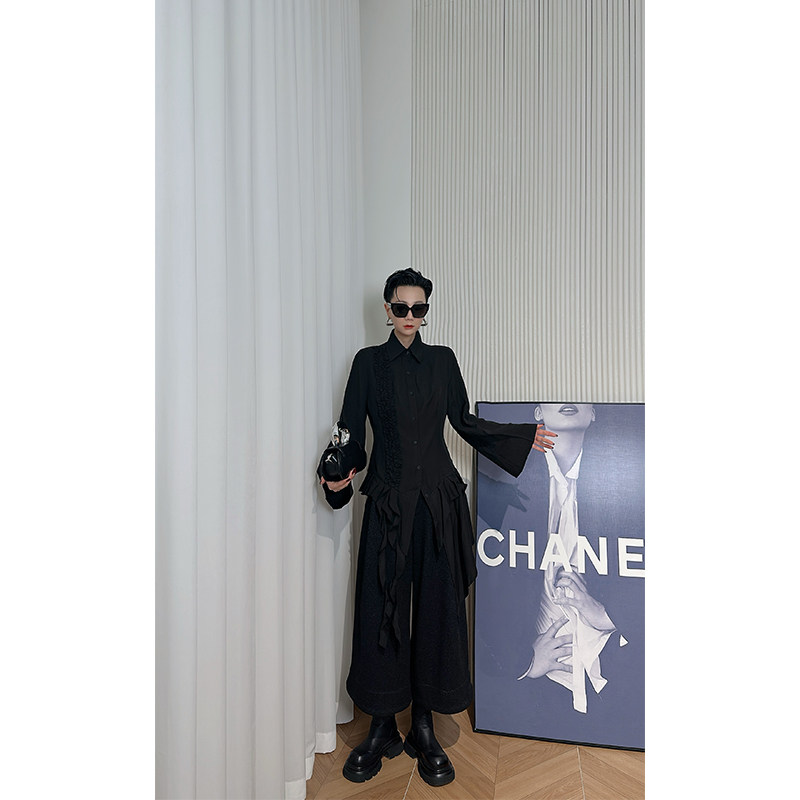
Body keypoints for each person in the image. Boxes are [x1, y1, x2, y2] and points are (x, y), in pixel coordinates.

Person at [318, 269, 556, 786]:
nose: (410, 316)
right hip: (387, 504)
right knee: (381, 609)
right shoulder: (367, 363)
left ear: (426, 312)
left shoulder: (443, 360)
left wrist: (520, 436)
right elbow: (350, 431)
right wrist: (337, 473)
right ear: (387, 309)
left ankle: (423, 724)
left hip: (438, 505)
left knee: (436, 610)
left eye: (419, 308)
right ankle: (382, 724)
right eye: (401, 307)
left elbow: (463, 421)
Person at [474, 401, 645, 749]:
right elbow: (488, 580)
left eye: (583, 400)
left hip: (616, 680)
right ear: (537, 413)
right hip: (531, 687)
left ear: (594, 414)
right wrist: (524, 663)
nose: (568, 401)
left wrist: (609, 613)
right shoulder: (508, 481)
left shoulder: (625, 478)